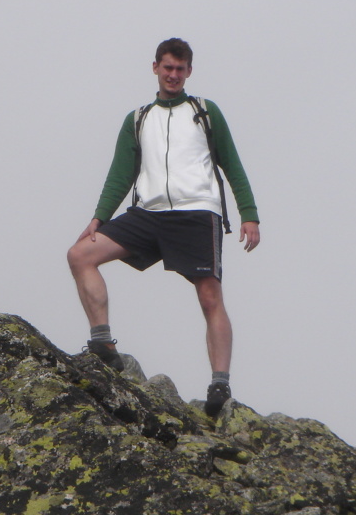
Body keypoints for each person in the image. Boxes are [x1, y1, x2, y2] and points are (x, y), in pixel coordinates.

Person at [67, 38, 260, 417]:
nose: (173, 75)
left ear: (189, 71)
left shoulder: (205, 111)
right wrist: (99, 218)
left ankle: (220, 383)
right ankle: (103, 344)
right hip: (148, 213)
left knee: (210, 297)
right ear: (155, 67)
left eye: (180, 69)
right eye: (167, 67)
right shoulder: (138, 119)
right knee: (80, 255)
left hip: (196, 213)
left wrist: (249, 213)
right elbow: (120, 174)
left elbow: (232, 164)